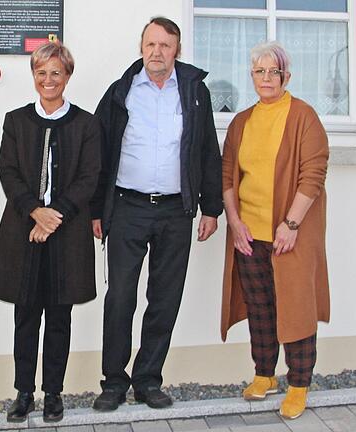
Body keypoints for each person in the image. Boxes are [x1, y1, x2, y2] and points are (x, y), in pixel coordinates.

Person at [90, 16, 223, 411]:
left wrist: (211, 208)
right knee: (120, 298)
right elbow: (100, 152)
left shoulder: (195, 92)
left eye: (165, 45)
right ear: (141, 47)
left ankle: (148, 379)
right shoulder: (121, 92)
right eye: (151, 44)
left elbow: (207, 152)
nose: (157, 52)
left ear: (177, 50)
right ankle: (113, 381)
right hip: (127, 208)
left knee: (165, 298)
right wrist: (97, 209)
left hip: (175, 211)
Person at [0, 42, 101, 423]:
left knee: (59, 317)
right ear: (33, 76)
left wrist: (55, 217)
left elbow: (89, 178)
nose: (48, 80)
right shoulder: (16, 120)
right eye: (41, 73)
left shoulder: (86, 124)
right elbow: (8, 173)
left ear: (67, 76)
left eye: (56, 72)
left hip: (67, 236)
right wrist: (36, 213)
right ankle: (24, 392)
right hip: (24, 231)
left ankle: (54, 393)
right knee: (25, 317)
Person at [220, 41, 330, 420]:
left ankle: (299, 382)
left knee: (296, 305)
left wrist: (292, 223)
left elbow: (313, 174)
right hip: (250, 233)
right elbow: (228, 177)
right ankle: (264, 374)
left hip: (290, 234)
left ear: (286, 75)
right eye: (259, 71)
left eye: (274, 71)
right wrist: (235, 224)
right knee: (260, 307)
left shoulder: (304, 116)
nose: (266, 78)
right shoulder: (241, 122)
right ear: (252, 76)